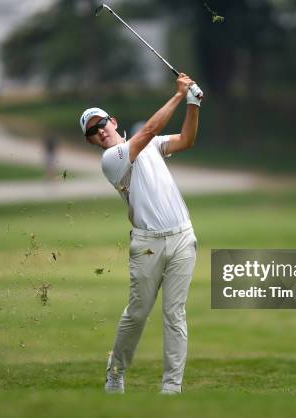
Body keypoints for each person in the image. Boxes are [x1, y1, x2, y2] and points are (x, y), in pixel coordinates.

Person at [79, 73, 203, 395]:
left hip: (182, 238)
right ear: (91, 141)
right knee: (137, 314)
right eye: (92, 131)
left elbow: (186, 140)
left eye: (101, 123)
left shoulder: (151, 146)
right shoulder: (112, 160)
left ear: (113, 121)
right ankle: (115, 374)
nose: (100, 130)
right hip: (147, 244)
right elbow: (149, 130)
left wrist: (193, 105)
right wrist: (178, 95)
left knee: (175, 314)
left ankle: (172, 388)